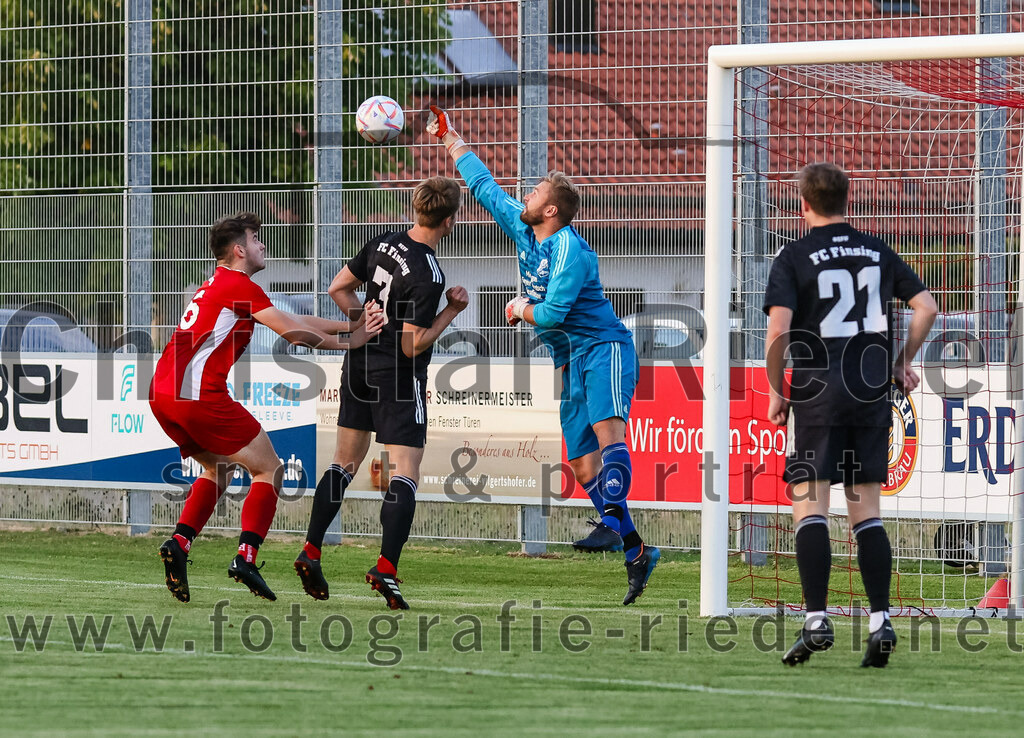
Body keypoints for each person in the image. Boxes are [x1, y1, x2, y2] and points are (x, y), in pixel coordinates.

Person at [426, 106, 659, 606]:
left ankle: (611, 522)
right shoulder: (524, 230)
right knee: (580, 467)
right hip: (569, 361)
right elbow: (486, 188)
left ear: (551, 210)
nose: (525, 197)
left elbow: (551, 314)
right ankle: (636, 549)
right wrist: (450, 138)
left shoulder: (573, 252)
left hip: (604, 349)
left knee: (608, 436)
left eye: (534, 194)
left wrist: (519, 306)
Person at [151, 212, 384, 603]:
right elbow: (293, 334)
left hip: (163, 394)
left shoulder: (220, 283)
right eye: (257, 239)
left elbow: (294, 318)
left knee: (218, 468)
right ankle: (246, 557)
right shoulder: (237, 284)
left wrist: (353, 326)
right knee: (270, 470)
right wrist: (352, 343)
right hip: (197, 395)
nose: (263, 245)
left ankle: (179, 543)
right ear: (240, 250)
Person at [763, 163, 937, 667]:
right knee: (866, 512)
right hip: (870, 392)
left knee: (809, 502)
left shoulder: (794, 255)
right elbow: (926, 307)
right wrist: (903, 360)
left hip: (818, 390)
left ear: (803, 204)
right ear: (847, 201)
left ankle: (817, 619)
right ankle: (881, 621)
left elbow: (779, 334)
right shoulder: (877, 251)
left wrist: (778, 390)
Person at [295, 176, 469, 610]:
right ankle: (386, 568)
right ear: (449, 221)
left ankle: (311, 550)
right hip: (397, 375)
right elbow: (412, 343)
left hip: (358, 363)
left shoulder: (382, 241)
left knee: (344, 463)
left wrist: (364, 321)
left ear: (415, 208)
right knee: (406, 471)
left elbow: (338, 288)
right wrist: (452, 310)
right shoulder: (429, 274)